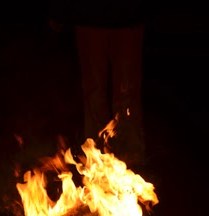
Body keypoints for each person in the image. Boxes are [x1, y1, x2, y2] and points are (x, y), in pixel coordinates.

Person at [49, 0, 149, 166]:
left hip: (125, 14)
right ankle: (96, 154)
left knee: (126, 90)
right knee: (96, 90)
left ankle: (129, 153)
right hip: (91, 14)